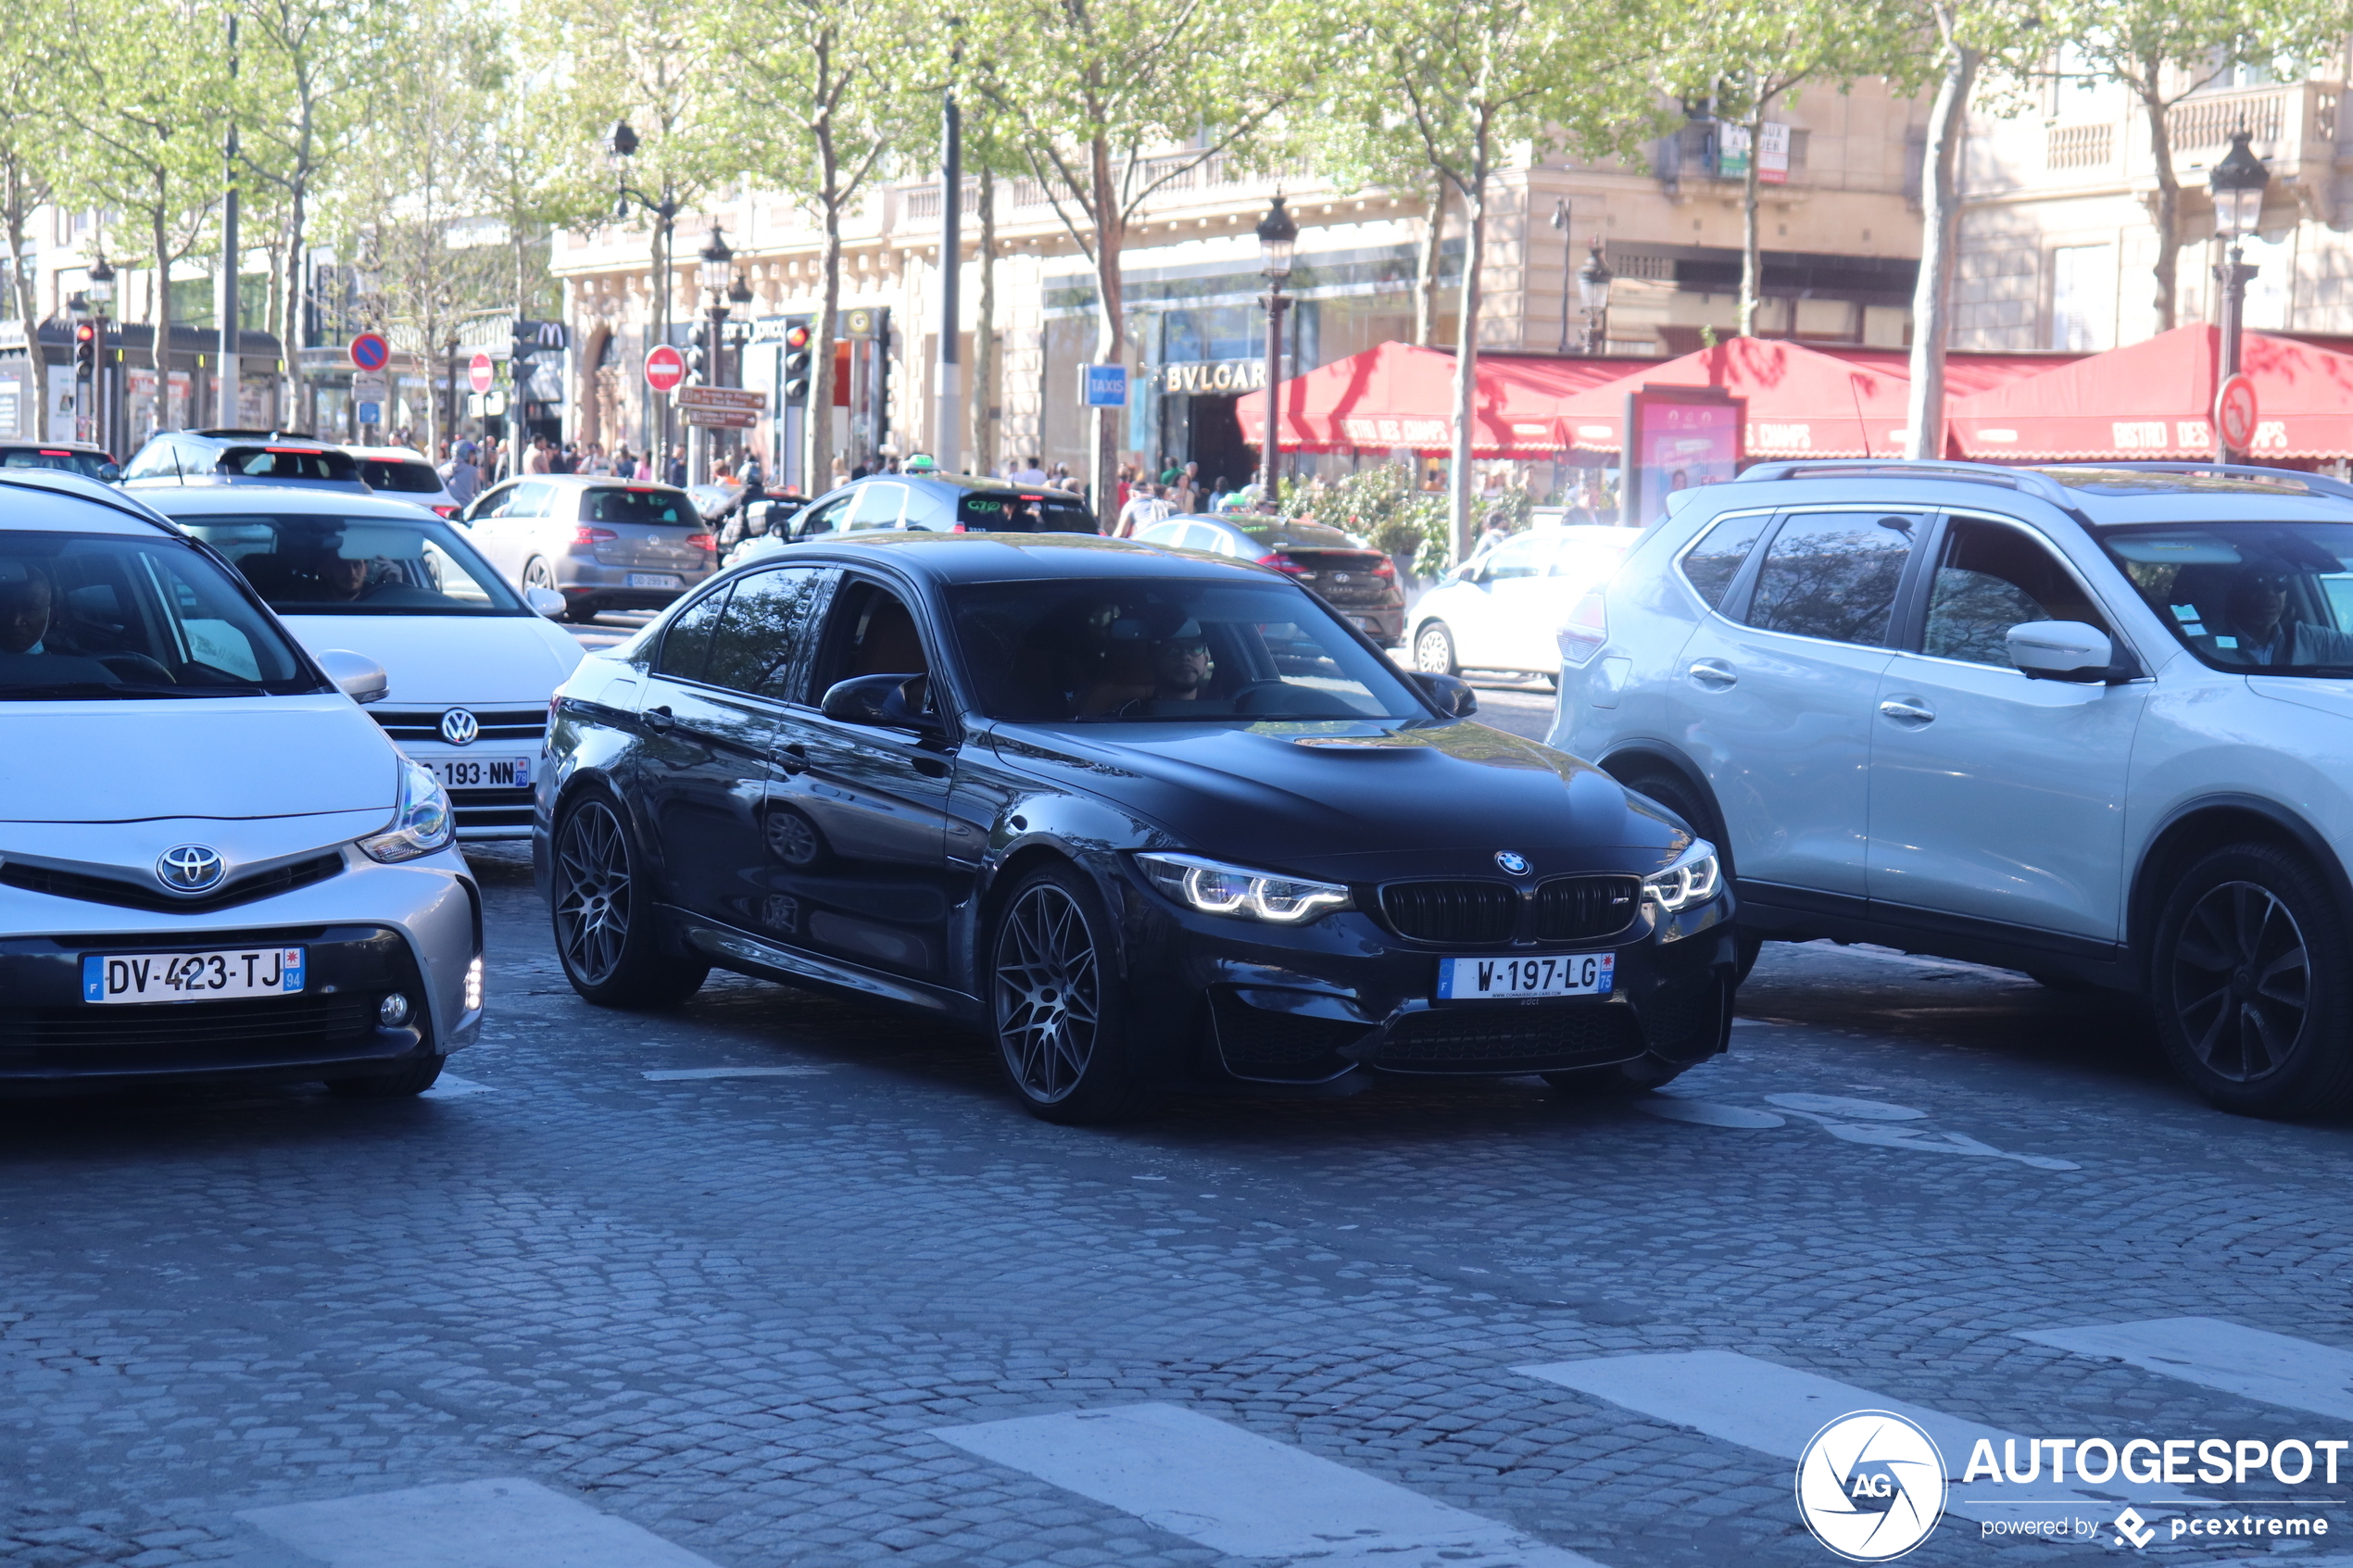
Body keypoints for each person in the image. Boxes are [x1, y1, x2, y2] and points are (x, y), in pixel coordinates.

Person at [0, 564, 53, 654]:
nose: (16, 621)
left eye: (31, 610)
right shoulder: (73, 664)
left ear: (51, 616)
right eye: (4, 608)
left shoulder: (70, 664)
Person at [439, 441, 483, 508]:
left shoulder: (441, 470)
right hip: (465, 509)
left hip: (446, 508)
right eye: (472, 455)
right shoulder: (473, 471)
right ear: (465, 454)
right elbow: (478, 493)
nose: (474, 458)